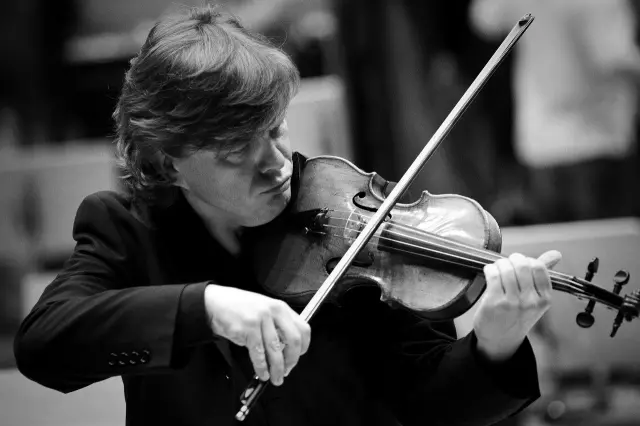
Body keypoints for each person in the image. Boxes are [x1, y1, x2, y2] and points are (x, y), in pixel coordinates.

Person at [14, 6, 562, 426]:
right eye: (235, 152)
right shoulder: (128, 230)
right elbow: (44, 346)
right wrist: (207, 306)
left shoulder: (353, 218)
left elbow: (428, 410)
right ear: (167, 163)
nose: (275, 164)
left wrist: (494, 344)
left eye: (275, 130)